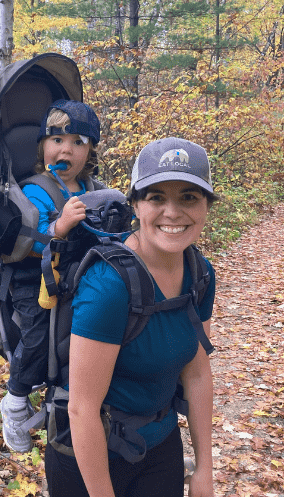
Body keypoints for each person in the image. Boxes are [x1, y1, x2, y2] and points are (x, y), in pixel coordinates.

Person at [45, 137, 216, 497]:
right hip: (90, 453)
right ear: (136, 205)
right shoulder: (110, 285)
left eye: (189, 197)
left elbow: (197, 372)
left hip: (159, 441)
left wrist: (204, 468)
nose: (173, 212)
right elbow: (82, 408)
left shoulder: (199, 274)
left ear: (205, 206)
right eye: (156, 197)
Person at [0, 99, 102, 453]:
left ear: (89, 152)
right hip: (34, 278)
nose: (66, 149)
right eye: (57, 140)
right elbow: (28, 244)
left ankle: (78, 392)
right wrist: (60, 226)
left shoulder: (91, 186)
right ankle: (14, 401)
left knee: (93, 327)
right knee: (40, 334)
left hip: (79, 273)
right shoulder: (35, 189)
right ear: (43, 146)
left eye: (78, 142)